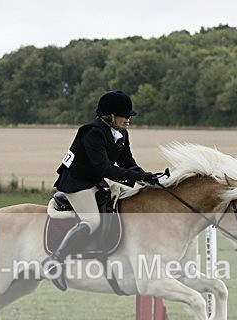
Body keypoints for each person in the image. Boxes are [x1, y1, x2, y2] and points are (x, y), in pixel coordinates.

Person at [43, 90, 159, 291]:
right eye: (125, 115)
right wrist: (137, 177)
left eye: (129, 116)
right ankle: (55, 261)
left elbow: (127, 163)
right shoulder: (92, 132)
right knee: (92, 220)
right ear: (111, 116)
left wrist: (147, 178)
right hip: (77, 182)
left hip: (95, 180)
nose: (128, 119)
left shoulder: (121, 133)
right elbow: (105, 168)